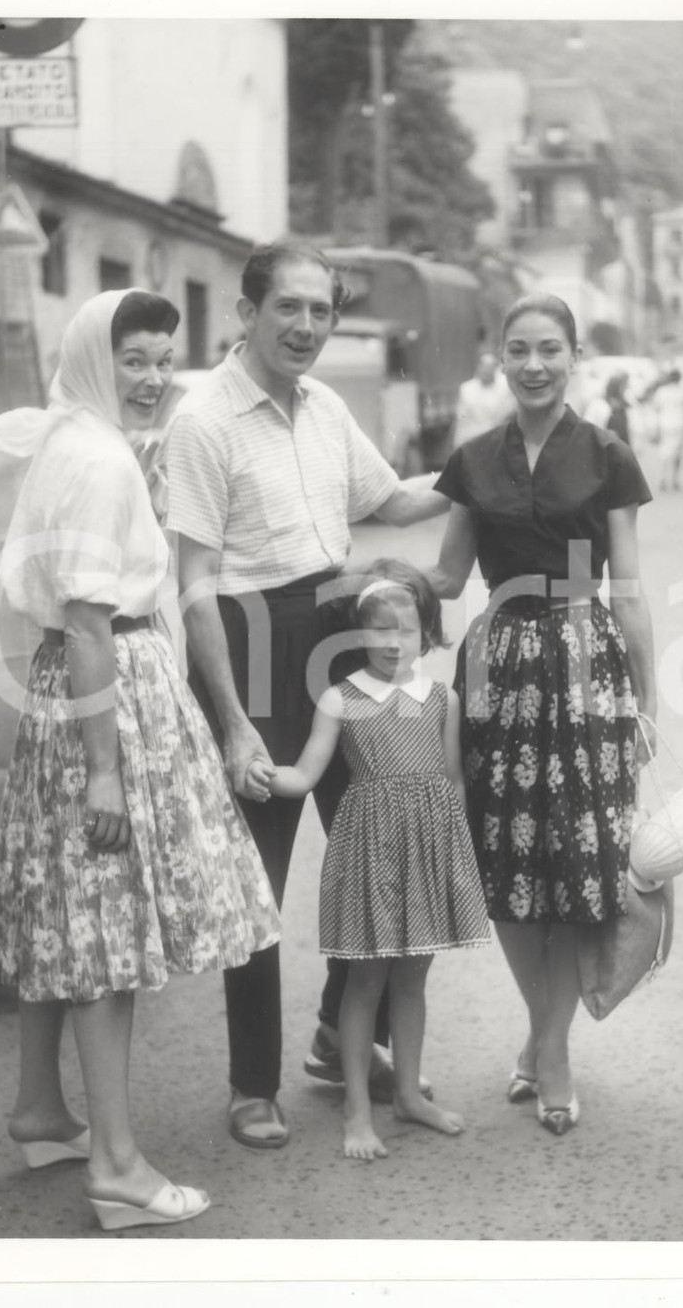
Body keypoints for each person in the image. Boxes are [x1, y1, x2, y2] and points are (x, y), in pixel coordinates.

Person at [0, 289, 280, 1230]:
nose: (152, 379)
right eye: (135, 361)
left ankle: (41, 1111)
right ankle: (115, 1168)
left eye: (163, 360)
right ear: (96, 360)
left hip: (69, 694)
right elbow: (87, 624)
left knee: (70, 916)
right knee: (106, 932)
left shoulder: (73, 436)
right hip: (107, 699)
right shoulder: (100, 460)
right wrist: (106, 768)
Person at [163, 240, 450, 1150]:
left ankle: (338, 1033)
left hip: (337, 623)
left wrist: (496, 469)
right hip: (248, 637)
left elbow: (394, 503)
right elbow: (197, 585)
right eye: (287, 308)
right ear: (245, 314)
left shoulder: (325, 406)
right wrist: (237, 726)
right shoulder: (204, 419)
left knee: (381, 833)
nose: (306, 327)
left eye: (321, 310)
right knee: (261, 875)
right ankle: (254, 1083)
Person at [429, 292, 656, 1136]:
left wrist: (645, 701)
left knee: (577, 872)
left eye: (550, 349)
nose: (533, 365)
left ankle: (548, 1052)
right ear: (501, 354)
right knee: (511, 869)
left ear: (575, 355)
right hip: (498, 668)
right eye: (519, 349)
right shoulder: (473, 459)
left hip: (584, 661)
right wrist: (348, 587)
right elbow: (448, 577)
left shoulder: (607, 457)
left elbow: (625, 585)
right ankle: (545, 1036)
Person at [259, 560, 489, 1160]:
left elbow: (453, 781)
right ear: (359, 634)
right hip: (370, 852)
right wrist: (259, 773)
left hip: (427, 851)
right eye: (381, 632)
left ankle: (409, 1094)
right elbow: (307, 771)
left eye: (407, 631)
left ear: (426, 633)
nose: (394, 644)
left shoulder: (442, 698)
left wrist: (455, 860)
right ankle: (358, 1111)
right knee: (365, 981)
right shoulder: (340, 699)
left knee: (412, 979)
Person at [453, 351, 516, 446]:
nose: (486, 370)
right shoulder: (466, 389)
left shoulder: (504, 390)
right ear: (478, 367)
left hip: (496, 441)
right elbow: (461, 421)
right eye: (484, 366)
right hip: (472, 440)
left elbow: (507, 417)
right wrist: (458, 445)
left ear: (495, 369)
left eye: (490, 367)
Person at [650, 368, 683, 492]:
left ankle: (663, 477)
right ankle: (675, 479)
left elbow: (655, 407)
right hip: (679, 423)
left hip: (665, 423)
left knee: (665, 451)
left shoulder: (662, 391)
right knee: (678, 453)